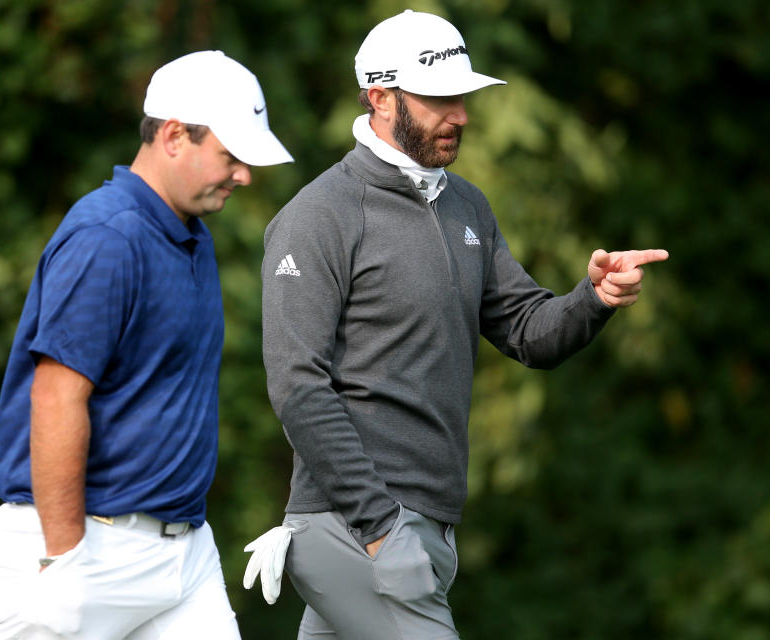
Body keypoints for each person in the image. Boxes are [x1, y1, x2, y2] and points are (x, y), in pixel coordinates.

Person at [243, 10, 667, 640]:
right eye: (440, 98)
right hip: (357, 527)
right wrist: (381, 526)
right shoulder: (319, 216)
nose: (461, 115)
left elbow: (528, 330)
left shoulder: (467, 205)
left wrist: (594, 297)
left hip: (423, 528)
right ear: (381, 96)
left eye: (462, 96)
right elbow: (298, 388)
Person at [0, 50, 292, 639]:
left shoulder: (191, 237)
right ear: (174, 136)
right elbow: (56, 399)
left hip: (183, 555)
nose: (244, 174)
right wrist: (63, 558)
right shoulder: (108, 237)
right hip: (84, 549)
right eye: (232, 156)